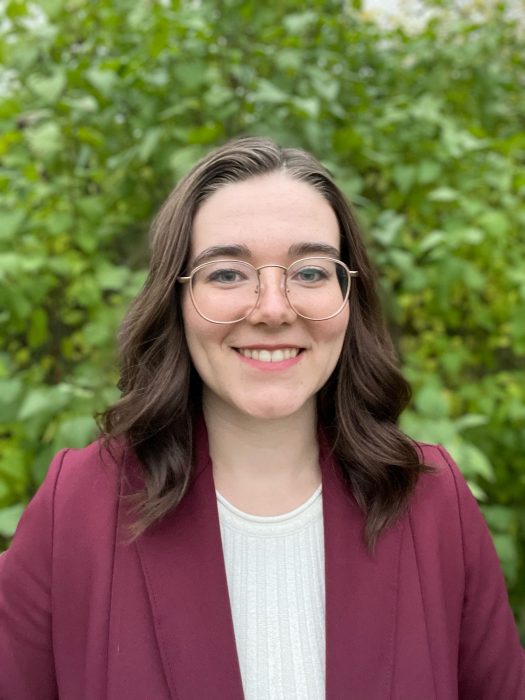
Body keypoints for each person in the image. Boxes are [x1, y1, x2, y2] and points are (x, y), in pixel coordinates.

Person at [0, 137, 523, 700]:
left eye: (311, 272)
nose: (273, 309)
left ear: (351, 297)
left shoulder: (432, 502)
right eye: (227, 274)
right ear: (175, 301)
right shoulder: (77, 507)